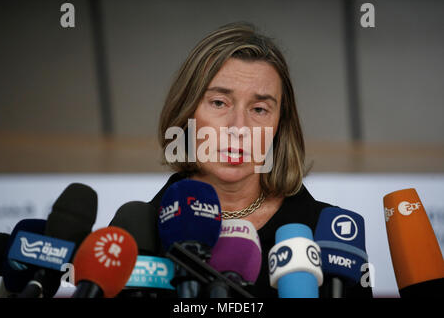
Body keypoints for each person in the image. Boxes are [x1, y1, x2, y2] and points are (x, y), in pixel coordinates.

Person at [149, 22, 372, 298]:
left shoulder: (330, 237)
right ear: (187, 112)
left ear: (279, 124)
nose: (238, 127)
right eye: (219, 103)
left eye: (259, 109)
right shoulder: (142, 232)